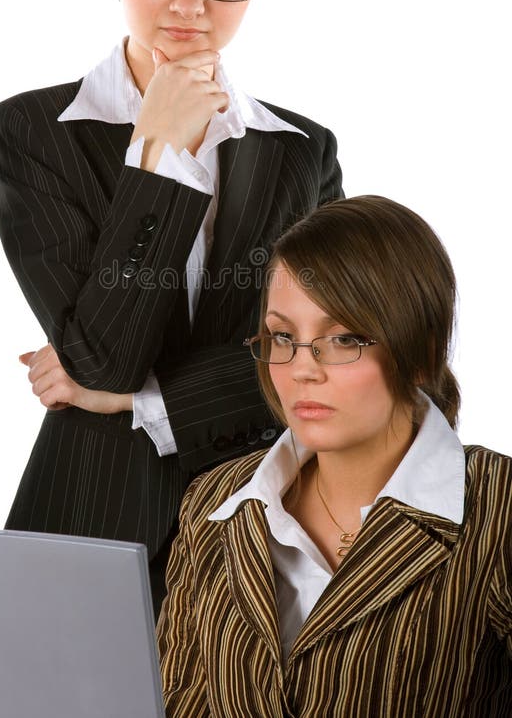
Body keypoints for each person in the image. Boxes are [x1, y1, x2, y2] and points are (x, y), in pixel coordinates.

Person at [0, 0, 342, 612]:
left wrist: (145, 405)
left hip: (257, 530)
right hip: (86, 515)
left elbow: (323, 363)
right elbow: (104, 358)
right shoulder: (33, 132)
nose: (189, 4)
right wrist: (161, 159)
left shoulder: (303, 154)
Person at [157, 195, 512, 717]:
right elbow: (174, 703)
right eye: (283, 336)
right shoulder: (214, 501)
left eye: (343, 338)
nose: (303, 369)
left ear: (422, 352)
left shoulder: (498, 508)